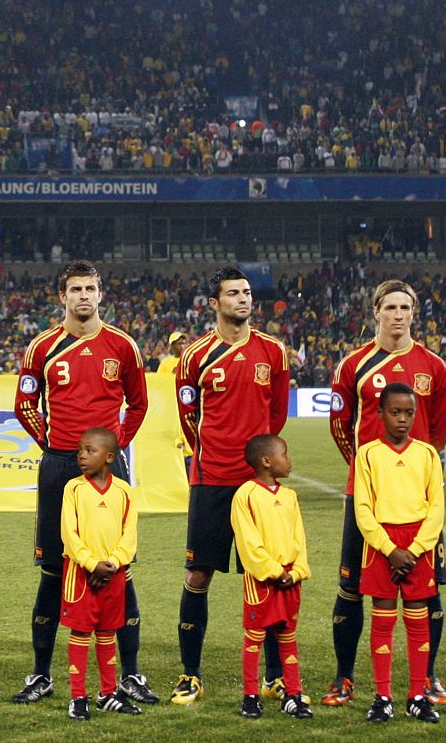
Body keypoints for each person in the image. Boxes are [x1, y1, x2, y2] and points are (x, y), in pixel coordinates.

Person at [12, 264, 151, 706]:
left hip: (110, 473)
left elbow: (140, 403)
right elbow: (24, 404)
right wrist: (54, 446)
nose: (84, 296)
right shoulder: (43, 347)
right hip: (59, 468)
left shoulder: (122, 345)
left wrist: (114, 447)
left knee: (118, 569)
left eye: (91, 288)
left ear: (101, 294)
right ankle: (41, 674)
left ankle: (129, 675)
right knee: (54, 571)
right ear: (62, 297)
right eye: (76, 289)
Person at [323, 280, 446, 708]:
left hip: (417, 504)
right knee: (352, 588)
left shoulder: (433, 367)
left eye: (406, 307)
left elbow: (437, 433)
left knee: (427, 590)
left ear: (414, 312)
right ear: (375, 311)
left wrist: (416, 477)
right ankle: (344, 677)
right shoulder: (352, 365)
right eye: (390, 307)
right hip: (367, 501)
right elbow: (340, 427)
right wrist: (366, 476)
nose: (398, 314)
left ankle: (428, 678)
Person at [170, 266, 289, 706]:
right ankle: (190, 674)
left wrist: (259, 466)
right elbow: (189, 419)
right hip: (211, 481)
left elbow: (275, 419)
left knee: (270, 574)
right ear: (214, 304)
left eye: (246, 292)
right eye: (233, 293)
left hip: (258, 486)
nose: (243, 299)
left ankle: (275, 675)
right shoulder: (195, 356)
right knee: (198, 574)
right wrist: (215, 454)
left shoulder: (273, 352)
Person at [352, 382, 445, 724]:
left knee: (418, 617)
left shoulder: (427, 454)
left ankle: (418, 695)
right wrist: (391, 550)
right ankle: (383, 696)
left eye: (408, 412)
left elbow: (436, 508)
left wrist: (416, 549)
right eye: (395, 412)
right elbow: (362, 509)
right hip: (382, 543)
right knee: (383, 616)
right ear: (380, 414)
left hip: (418, 543)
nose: (402, 419)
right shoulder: (368, 454)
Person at [59, 428, 143, 720]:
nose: (82, 455)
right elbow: (69, 533)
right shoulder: (73, 488)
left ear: (109, 458)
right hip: (80, 573)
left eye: (89, 450)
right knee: (81, 632)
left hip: (114, 573)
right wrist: (90, 562)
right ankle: (77, 696)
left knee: (107, 632)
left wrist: (115, 561)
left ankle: (108, 693)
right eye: (80, 449)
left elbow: (129, 534)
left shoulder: (123, 491)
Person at [231, 433, 312, 719]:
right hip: (263, 581)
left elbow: (299, 537)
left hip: (291, 579)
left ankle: (293, 694)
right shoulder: (246, 495)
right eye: (284, 454)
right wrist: (275, 572)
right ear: (267, 461)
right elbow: (248, 543)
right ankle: (251, 696)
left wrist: (298, 571)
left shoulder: (289, 496)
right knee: (254, 638)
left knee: (288, 638)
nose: (289, 461)